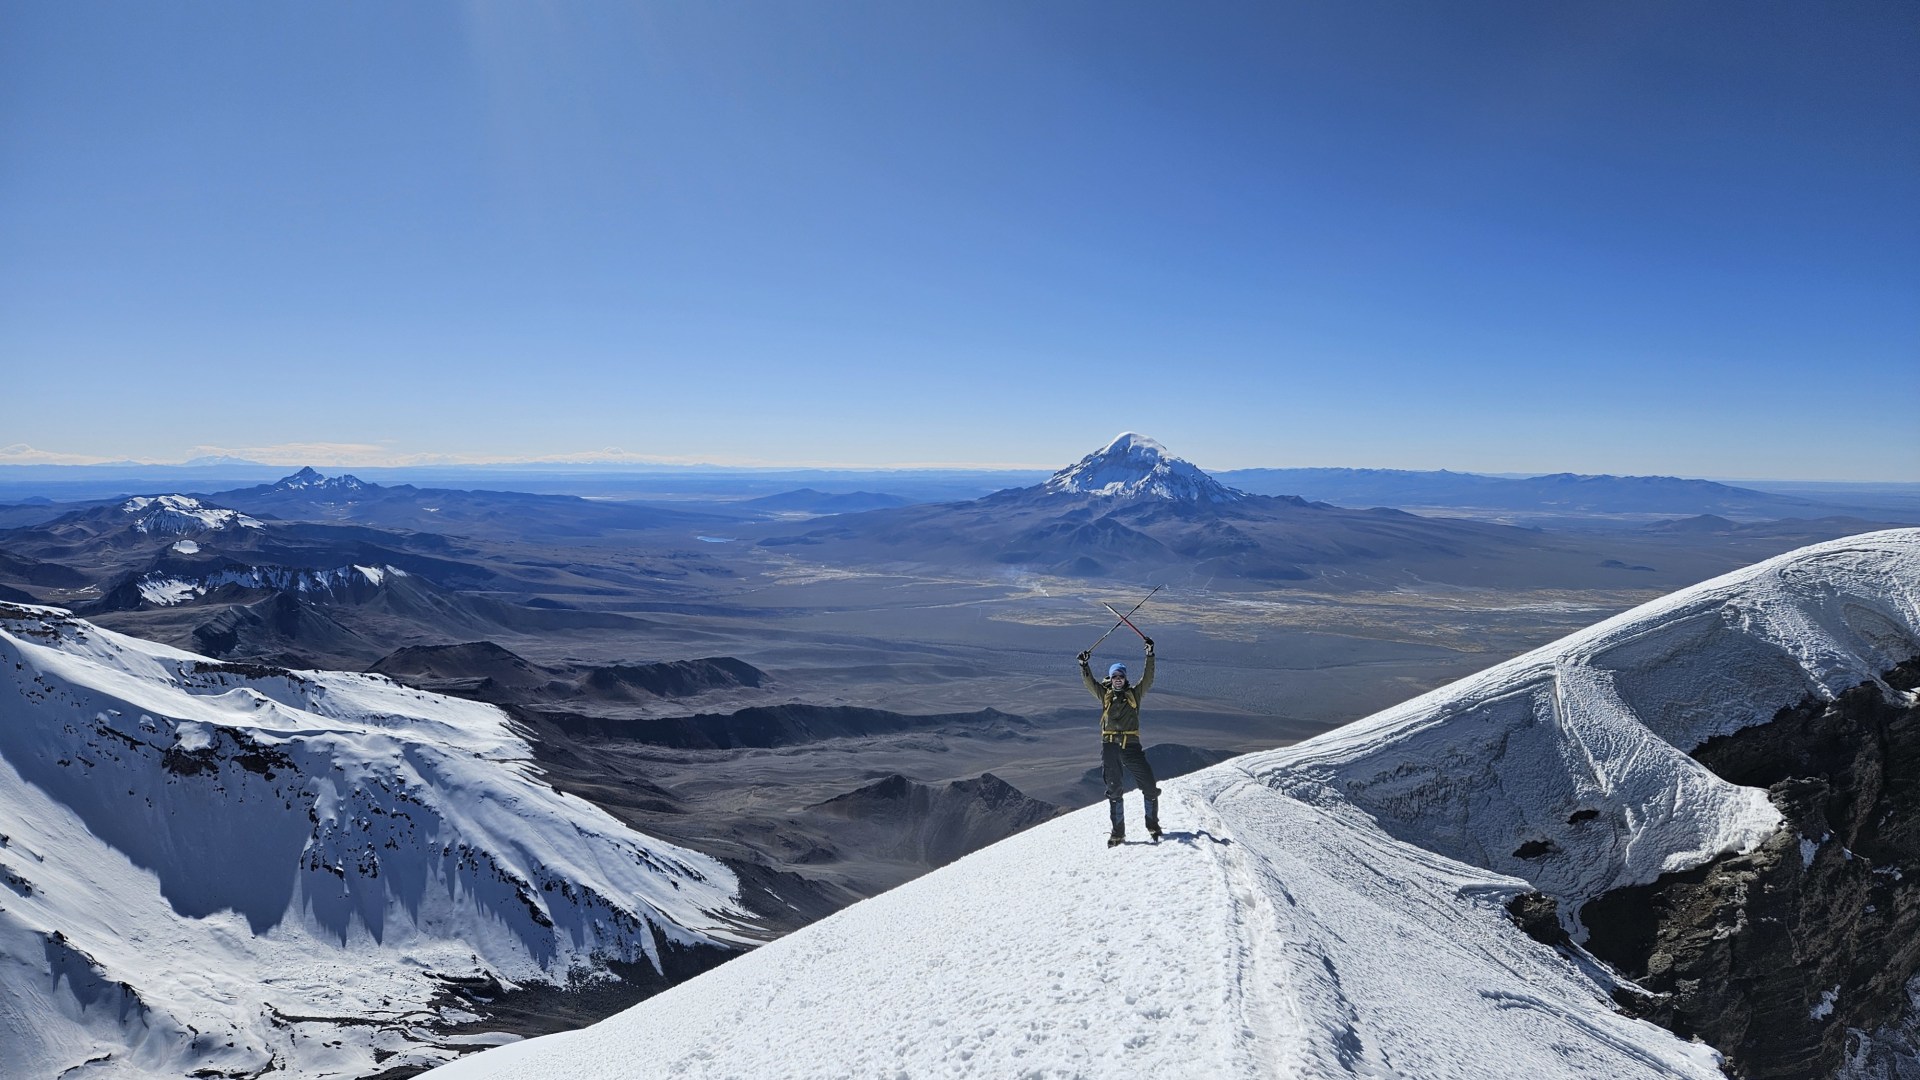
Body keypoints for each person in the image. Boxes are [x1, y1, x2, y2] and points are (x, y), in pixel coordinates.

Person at [1078, 638, 1159, 847]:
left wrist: (1150, 655)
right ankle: (1117, 833)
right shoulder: (1104, 695)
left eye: (1120, 676)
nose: (1117, 680)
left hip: (1131, 745)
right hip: (1110, 745)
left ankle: (1153, 826)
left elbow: (1147, 679)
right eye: (1114, 676)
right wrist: (1084, 666)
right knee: (1114, 790)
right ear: (1111, 678)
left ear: (1125, 678)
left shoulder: (1134, 695)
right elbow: (1090, 684)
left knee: (1149, 785)